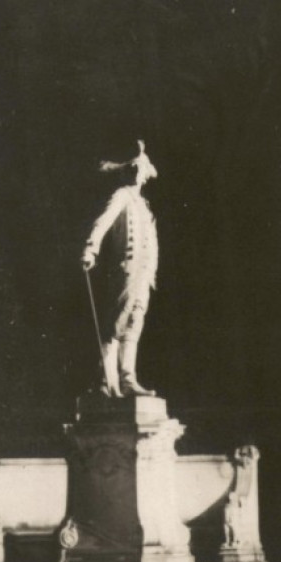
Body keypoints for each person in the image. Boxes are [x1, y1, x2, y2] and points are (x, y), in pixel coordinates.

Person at [82, 140, 160, 397]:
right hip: (126, 269)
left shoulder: (144, 205)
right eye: (136, 170)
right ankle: (106, 379)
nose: (139, 176)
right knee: (117, 320)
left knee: (135, 320)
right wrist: (91, 248)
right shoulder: (122, 195)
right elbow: (102, 222)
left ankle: (127, 378)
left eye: (142, 171)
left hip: (144, 273)